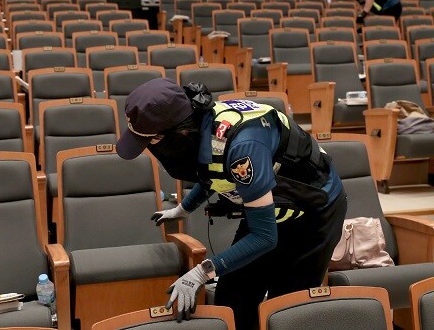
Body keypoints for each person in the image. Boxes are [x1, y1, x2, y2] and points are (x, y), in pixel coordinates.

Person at [116, 78, 347, 329]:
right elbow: (212, 173)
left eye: (151, 141)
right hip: (269, 207)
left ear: (179, 132)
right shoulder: (199, 127)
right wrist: (183, 208)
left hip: (313, 214)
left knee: (285, 308)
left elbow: (264, 237)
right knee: (233, 296)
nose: (150, 148)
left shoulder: (243, 147)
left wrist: (201, 272)